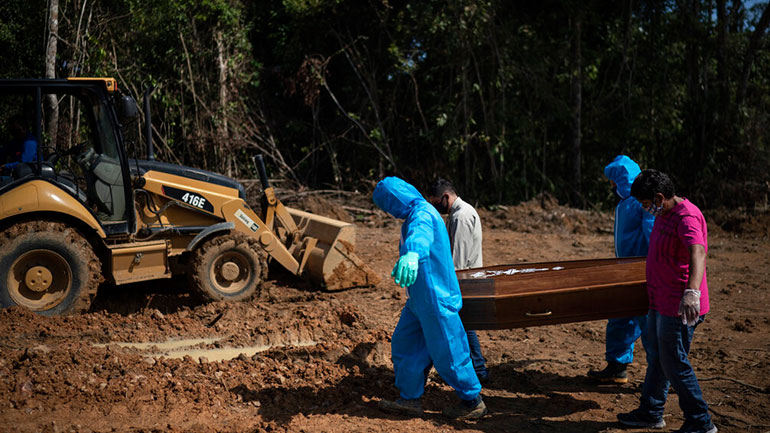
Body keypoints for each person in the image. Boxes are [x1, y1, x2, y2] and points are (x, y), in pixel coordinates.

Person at [373, 176, 487, 420]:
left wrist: (412, 254)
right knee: (405, 344)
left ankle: (472, 401)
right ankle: (409, 398)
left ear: (396, 199)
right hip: (419, 299)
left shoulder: (422, 213)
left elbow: (420, 235)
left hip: (435, 297)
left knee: (449, 350)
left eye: (387, 205)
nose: (388, 212)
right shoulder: (413, 215)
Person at [618, 169, 716, 433]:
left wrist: (692, 291)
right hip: (660, 299)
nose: (644, 208)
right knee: (658, 357)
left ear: (659, 198)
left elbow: (698, 251)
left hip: (678, 304)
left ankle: (700, 420)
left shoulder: (686, 217)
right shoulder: (664, 213)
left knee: (674, 362)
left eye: (645, 203)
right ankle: (651, 411)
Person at [588, 156, 655, 383]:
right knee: (620, 317)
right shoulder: (625, 203)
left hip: (641, 271)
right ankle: (617, 367)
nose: (611, 187)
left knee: (648, 325)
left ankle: (660, 377)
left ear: (621, 181)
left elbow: (652, 235)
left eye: (613, 182)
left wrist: (652, 266)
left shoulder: (641, 203)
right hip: (624, 270)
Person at [427, 178, 489, 383]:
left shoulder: (461, 216)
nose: (436, 207)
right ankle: (477, 369)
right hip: (466, 277)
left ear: (445, 197)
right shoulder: (458, 213)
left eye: (436, 202)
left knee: (464, 325)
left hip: (464, 279)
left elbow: (458, 259)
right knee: (464, 324)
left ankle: (478, 370)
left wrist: (448, 286)